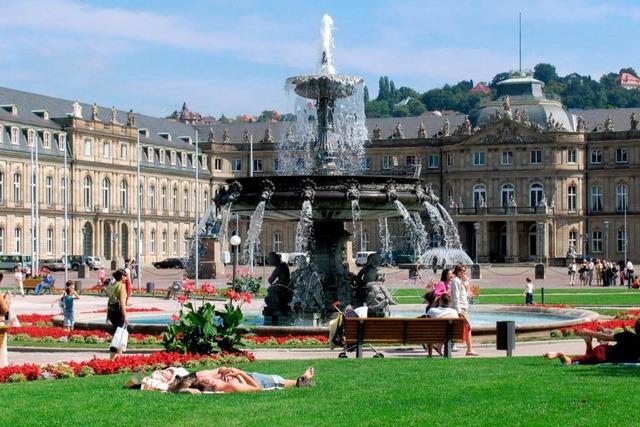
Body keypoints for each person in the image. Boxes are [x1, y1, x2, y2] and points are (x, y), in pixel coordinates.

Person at [131, 366, 316, 393]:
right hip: (256, 380)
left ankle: (303, 379)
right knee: (280, 380)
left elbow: (219, 370)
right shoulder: (223, 384)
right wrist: (238, 372)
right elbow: (257, 389)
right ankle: (304, 380)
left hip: (247, 376)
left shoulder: (203, 377)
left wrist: (226, 371)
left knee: (282, 379)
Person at [544, 320, 640, 365]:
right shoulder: (629, 336)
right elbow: (604, 337)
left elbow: (605, 337)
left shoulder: (628, 335)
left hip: (604, 352)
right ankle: (562, 354)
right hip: (604, 353)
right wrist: (588, 332)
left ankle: (586, 342)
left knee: (582, 359)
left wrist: (587, 332)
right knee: (582, 359)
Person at [451, 265, 478, 356]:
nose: (464, 273)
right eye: (462, 271)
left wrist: (467, 284)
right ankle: (469, 349)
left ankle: (439, 345)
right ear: (457, 271)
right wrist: (458, 311)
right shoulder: (455, 281)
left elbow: (465, 295)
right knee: (469, 327)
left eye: (465, 271)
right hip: (461, 308)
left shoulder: (460, 281)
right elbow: (456, 297)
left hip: (463, 307)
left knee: (456, 329)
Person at [106, 269, 128, 360]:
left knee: (117, 333)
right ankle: (114, 357)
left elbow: (109, 301)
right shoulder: (121, 286)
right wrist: (125, 316)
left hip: (111, 312)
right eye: (125, 276)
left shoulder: (112, 286)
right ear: (122, 276)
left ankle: (117, 356)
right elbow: (122, 303)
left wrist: (107, 316)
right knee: (119, 335)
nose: (126, 278)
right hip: (119, 312)